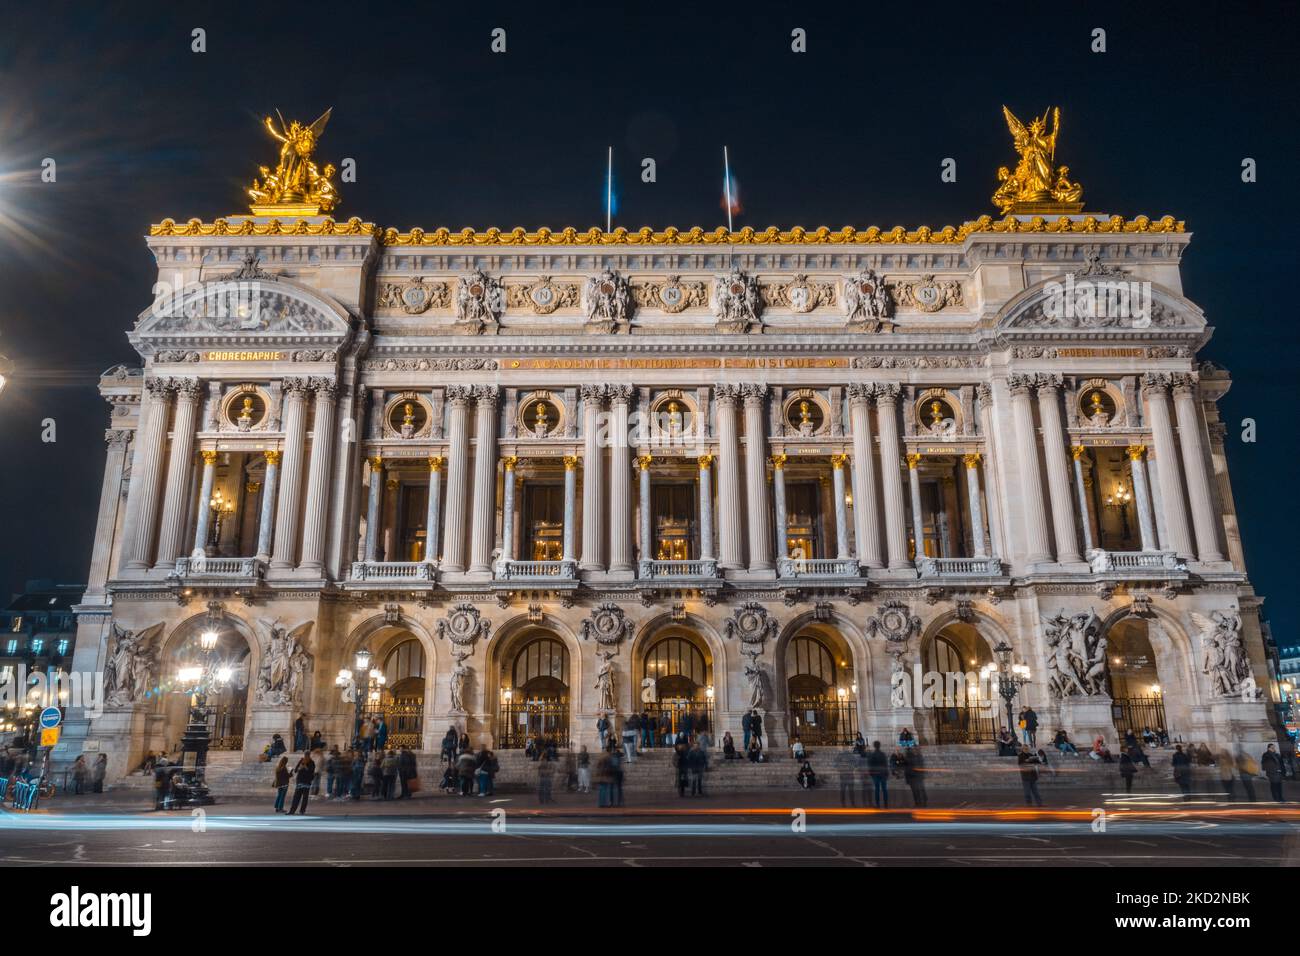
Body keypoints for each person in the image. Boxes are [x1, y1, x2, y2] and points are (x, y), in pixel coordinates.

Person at [867, 740, 888, 808]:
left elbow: (870, 765)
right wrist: (886, 773)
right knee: (884, 789)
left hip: (876, 774)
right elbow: (886, 764)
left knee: (877, 790)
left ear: (874, 746)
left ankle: (878, 804)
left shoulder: (872, 755)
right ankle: (886, 804)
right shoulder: (883, 754)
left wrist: (871, 774)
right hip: (883, 774)